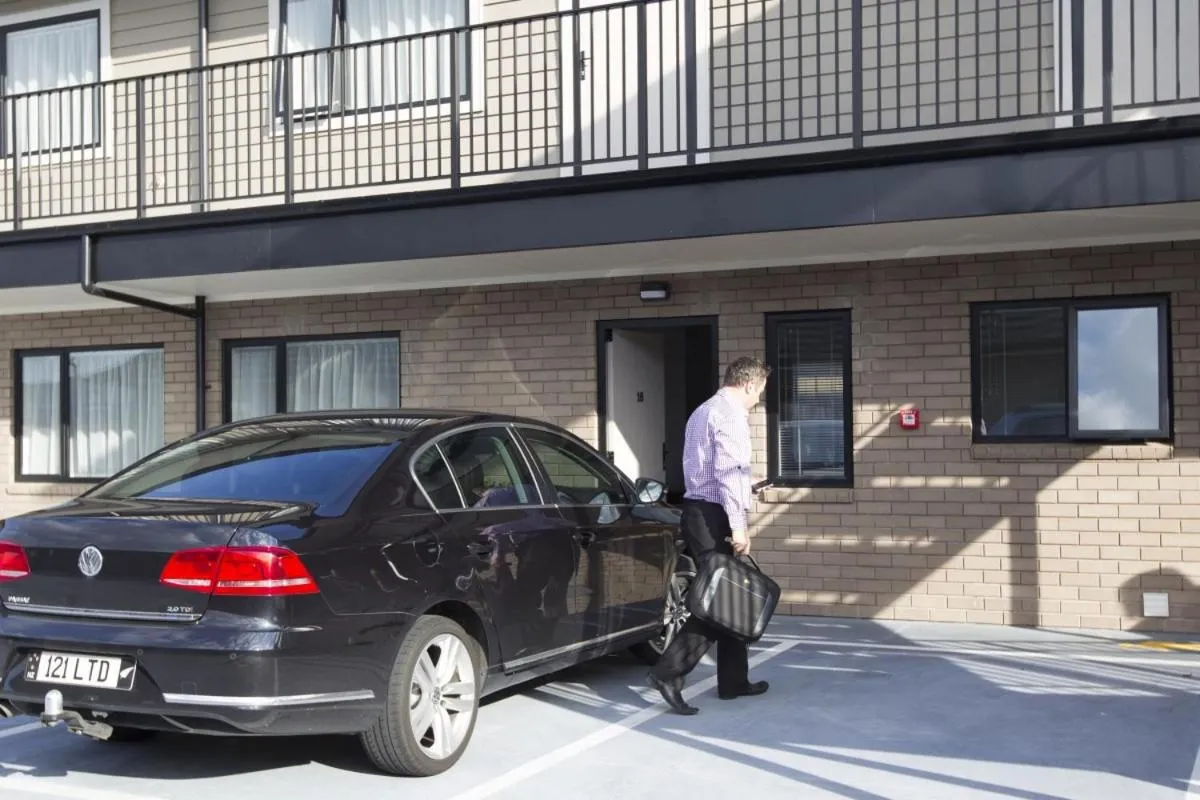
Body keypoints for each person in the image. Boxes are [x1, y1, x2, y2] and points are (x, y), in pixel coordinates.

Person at [647, 355, 772, 715]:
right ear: (748, 383)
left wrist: (748, 484)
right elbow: (728, 475)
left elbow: (712, 471)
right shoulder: (730, 416)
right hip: (713, 517)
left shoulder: (704, 410)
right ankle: (668, 673)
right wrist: (739, 525)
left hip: (701, 511)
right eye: (760, 391)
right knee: (718, 600)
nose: (759, 399)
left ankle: (734, 681)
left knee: (730, 595)